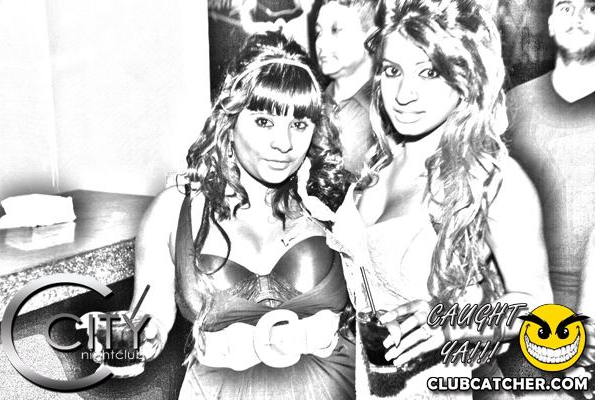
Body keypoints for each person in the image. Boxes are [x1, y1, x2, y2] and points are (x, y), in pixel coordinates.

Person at [107, 31, 355, 399]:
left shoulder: (333, 201)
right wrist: (138, 339)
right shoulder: (174, 210)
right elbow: (149, 314)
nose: (284, 144)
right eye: (264, 121)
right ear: (230, 119)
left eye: (299, 124)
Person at [326, 0, 553, 397]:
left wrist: (453, 323)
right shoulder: (377, 163)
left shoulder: (491, 178)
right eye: (392, 71)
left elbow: (541, 311)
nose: (404, 94)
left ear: (465, 76)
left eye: (429, 72)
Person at [506, 0, 595, 313]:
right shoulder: (512, 105)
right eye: (566, 8)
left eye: (592, 9)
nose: (577, 17)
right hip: (520, 302)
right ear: (551, 24)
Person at [314, 0, 377, 176]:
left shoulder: (385, 112)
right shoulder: (314, 99)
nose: (321, 43)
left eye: (335, 30)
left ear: (371, 38)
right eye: (319, 32)